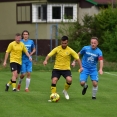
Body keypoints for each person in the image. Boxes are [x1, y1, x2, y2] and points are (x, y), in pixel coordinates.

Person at [43, 36, 83, 101]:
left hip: (66, 69)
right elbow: (49, 54)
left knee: (69, 80)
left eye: (65, 43)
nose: (63, 44)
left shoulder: (70, 50)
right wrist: (45, 60)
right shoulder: (57, 49)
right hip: (57, 68)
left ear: (67, 43)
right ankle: (53, 96)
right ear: (61, 42)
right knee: (54, 80)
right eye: (62, 43)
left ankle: (65, 91)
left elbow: (77, 58)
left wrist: (81, 67)